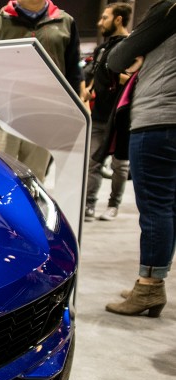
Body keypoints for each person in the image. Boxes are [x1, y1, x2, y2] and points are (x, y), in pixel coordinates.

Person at [105, 0, 176, 317]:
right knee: (168, 206)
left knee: (156, 207)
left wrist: (140, 57)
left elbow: (116, 57)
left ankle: (148, 286)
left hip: (158, 120)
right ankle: (154, 279)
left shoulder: (168, 9)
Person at [0, 0, 85, 182]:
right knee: (0, 180)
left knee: (36, 182)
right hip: (3, 118)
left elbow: (73, 75)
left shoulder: (65, 22)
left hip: (45, 119)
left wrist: (71, 117)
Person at [84, 3, 132, 222]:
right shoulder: (101, 49)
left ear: (118, 19)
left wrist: (120, 77)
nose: (99, 22)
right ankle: (89, 205)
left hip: (122, 116)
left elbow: (132, 78)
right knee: (92, 162)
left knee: (119, 165)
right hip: (99, 115)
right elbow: (94, 76)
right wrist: (88, 90)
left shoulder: (131, 46)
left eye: (104, 18)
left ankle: (113, 204)